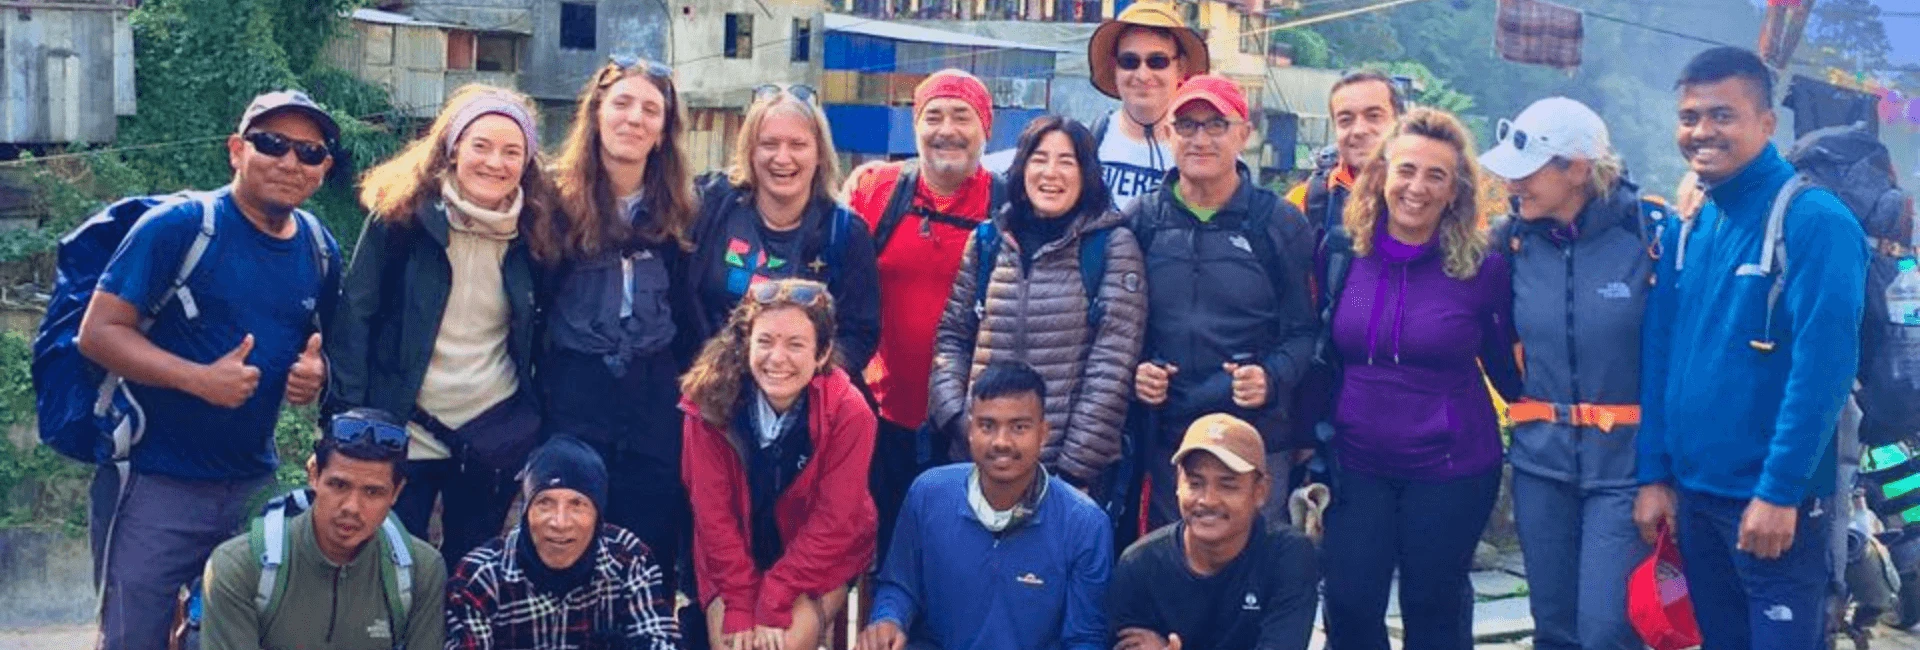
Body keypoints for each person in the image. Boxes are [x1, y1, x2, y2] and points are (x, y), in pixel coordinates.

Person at [78, 89, 343, 650]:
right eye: (271, 144)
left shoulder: (320, 250)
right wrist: (196, 378)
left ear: (324, 169)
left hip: (253, 483)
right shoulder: (179, 228)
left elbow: (319, 350)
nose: (289, 161)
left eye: (309, 152)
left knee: (249, 639)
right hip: (155, 484)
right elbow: (98, 333)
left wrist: (312, 375)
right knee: (132, 639)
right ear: (235, 150)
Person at [1634, 46, 1867, 650]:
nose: (1701, 131)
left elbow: (1825, 370)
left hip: (1773, 508)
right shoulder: (1692, 225)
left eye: (1722, 115)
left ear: (1767, 124)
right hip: (1697, 498)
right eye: (1689, 117)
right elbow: (1661, 355)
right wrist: (1655, 474)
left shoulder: (1815, 222)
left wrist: (1780, 490)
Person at [1316, 107, 1522, 650]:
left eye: (1437, 175)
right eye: (1407, 170)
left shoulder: (1482, 268)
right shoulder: (1341, 254)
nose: (1418, 187)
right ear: (1382, 174)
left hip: (1451, 465)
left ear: (1456, 191)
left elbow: (1510, 370)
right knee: (1349, 602)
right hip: (1356, 460)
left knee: (1432, 607)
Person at [330, 85, 555, 568]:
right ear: (452, 148)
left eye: (512, 151)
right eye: (481, 145)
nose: (495, 162)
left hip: (490, 431)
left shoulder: (537, 232)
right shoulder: (402, 216)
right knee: (390, 571)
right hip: (402, 426)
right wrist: (348, 418)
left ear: (527, 162)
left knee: (469, 572)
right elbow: (356, 315)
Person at [1479, 97, 1657, 650]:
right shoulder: (1509, 242)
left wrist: (1662, 473)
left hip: (1624, 469)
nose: (1514, 185)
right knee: (1553, 627)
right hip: (1540, 465)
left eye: (1527, 173)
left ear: (1577, 171)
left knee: (1607, 630)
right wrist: (1526, 406)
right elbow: (1490, 338)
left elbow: (1675, 357)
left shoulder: (1650, 236)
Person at [1127, 75, 1318, 532]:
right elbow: (1117, 326)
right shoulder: (1141, 220)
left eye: (1216, 125)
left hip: (1255, 436)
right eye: (1187, 125)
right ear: (1169, 133)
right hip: (1169, 438)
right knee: (1173, 576)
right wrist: (1136, 370)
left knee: (1252, 578)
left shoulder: (1279, 224)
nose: (1200, 139)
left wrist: (1271, 377)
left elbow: (1307, 331)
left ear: (1243, 134)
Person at [540, 55, 701, 596]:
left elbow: (689, 312)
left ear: (663, 131)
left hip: (654, 403)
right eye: (622, 103)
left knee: (649, 548)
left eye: (650, 109)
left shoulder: (683, 209)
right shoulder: (551, 202)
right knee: (570, 544)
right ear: (597, 113)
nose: (634, 118)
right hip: (572, 396)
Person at [929, 115, 1146, 495]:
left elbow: (1112, 366)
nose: (1051, 173)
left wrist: (1074, 471)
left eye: (1067, 161)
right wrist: (959, 421)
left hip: (1063, 472)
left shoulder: (1110, 246)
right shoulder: (989, 240)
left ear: (1087, 173)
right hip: (977, 460)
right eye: (1039, 158)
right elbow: (952, 337)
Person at [842, 68, 1001, 557]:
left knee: (956, 552)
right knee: (873, 545)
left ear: (986, 130)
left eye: (962, 116)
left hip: (969, 419)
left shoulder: (1008, 201)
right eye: (933, 116)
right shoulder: (876, 189)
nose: (946, 129)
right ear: (915, 127)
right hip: (879, 409)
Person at [680, 279, 878, 650]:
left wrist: (776, 595)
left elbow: (834, 523)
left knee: (782, 645)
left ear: (822, 353)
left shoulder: (850, 412)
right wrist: (740, 600)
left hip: (817, 557)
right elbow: (712, 515)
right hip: (732, 555)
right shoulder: (705, 401)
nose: (777, 358)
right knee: (732, 645)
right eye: (765, 341)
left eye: (796, 344)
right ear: (746, 344)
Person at [859, 362, 1112, 650]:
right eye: (987, 426)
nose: (1001, 442)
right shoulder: (928, 494)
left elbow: (1084, 639)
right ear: (970, 430)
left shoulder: (1085, 524)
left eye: (1019, 427)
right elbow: (899, 586)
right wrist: (889, 619)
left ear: (1044, 434)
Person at [200, 409, 446, 650]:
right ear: (314, 474)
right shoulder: (241, 566)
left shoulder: (421, 571)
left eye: (372, 492)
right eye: (339, 485)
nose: (352, 507)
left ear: (396, 492)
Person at [689, 84, 880, 380]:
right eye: (769, 144)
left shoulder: (846, 232)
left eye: (797, 145)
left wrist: (797, 378)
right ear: (750, 152)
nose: (782, 158)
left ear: (819, 154)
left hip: (799, 400)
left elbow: (860, 334)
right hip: (711, 394)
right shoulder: (711, 205)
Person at [445, 436, 681, 650]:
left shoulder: (627, 559)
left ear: (598, 516)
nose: (560, 522)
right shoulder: (481, 577)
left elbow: (659, 640)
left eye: (577, 505)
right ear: (526, 513)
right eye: (544, 503)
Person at [1108, 413, 1319, 650]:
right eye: (1195, 483)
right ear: (1178, 483)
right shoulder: (1138, 565)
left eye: (1227, 485)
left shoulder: (1289, 556)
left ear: (1260, 491)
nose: (1208, 500)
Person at [982, 1, 1208, 211]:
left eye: (1157, 61)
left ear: (1181, 67)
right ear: (1115, 69)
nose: (1142, 74)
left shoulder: (1204, 153)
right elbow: (1000, 166)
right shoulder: (1089, 140)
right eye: (1129, 62)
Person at [1285, 71, 1405, 236]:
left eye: (1374, 116)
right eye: (1346, 120)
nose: (1359, 130)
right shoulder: (1305, 201)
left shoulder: (1428, 195)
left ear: (1401, 122)